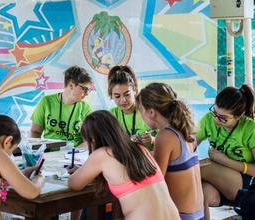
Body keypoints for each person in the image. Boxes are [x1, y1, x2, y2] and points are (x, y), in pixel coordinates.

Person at [68, 110, 179, 220]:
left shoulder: (102, 154)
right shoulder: (140, 148)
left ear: (92, 139)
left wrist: (82, 171)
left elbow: (74, 184)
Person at [137, 83, 204, 220]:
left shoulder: (165, 136)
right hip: (198, 214)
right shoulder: (184, 130)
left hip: (181, 216)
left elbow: (155, 181)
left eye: (140, 110)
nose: (141, 115)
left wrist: (136, 152)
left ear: (151, 112)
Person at [196, 85, 255, 220]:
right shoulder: (208, 119)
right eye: (214, 112)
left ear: (238, 116)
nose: (216, 120)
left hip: (247, 185)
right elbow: (189, 144)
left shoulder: (250, 128)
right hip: (223, 186)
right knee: (203, 193)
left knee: (199, 167)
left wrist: (225, 161)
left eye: (223, 118)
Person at [30, 65, 93, 147]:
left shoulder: (86, 109)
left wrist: (74, 153)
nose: (87, 94)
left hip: (74, 155)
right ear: (71, 85)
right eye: (85, 89)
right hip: (49, 153)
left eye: (89, 90)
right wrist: (36, 152)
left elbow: (89, 141)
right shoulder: (46, 102)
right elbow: (35, 131)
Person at [108, 65, 153, 147]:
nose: (123, 100)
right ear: (111, 95)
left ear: (135, 90)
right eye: (117, 96)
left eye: (127, 94)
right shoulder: (111, 115)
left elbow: (168, 136)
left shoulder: (148, 110)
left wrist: (153, 140)